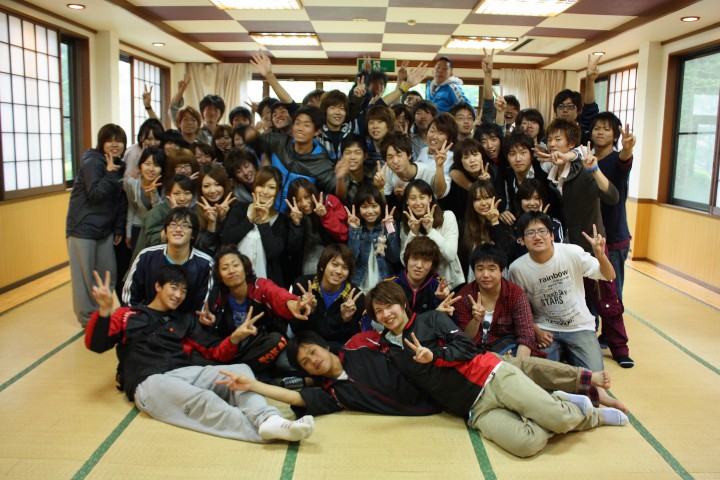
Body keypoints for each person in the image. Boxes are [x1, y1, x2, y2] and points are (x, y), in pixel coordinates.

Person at [365, 281, 628, 458]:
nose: (386, 314)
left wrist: (435, 356)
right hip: (474, 409)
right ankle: (555, 401)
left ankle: (590, 415)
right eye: (379, 311)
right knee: (527, 444)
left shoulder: (431, 319)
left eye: (390, 306)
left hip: (491, 376)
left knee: (558, 420)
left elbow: (466, 348)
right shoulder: (389, 349)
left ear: (403, 304)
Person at [86, 265, 314, 443]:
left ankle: (267, 418)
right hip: (148, 380)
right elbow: (96, 345)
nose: (178, 295)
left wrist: (235, 337)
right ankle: (268, 431)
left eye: (183, 291)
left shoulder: (185, 321)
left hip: (183, 373)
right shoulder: (128, 315)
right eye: (173, 288)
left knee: (241, 371)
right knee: (205, 400)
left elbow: (216, 353)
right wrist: (104, 311)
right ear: (158, 286)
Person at [218, 327, 624, 419]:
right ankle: (575, 399)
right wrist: (253, 384)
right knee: (518, 397)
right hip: (444, 400)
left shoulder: (359, 343)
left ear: (324, 346)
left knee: (512, 366)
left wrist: (439, 349)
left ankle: (586, 383)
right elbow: (296, 398)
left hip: (441, 368)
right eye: (305, 362)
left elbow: (399, 336)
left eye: (312, 352)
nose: (312, 360)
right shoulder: (335, 395)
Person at [537, 119, 632, 367]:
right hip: (568, 247)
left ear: (571, 144)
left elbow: (612, 196)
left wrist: (594, 170)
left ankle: (619, 348)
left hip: (593, 245)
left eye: (558, 139)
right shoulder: (552, 171)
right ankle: (585, 342)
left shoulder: (582, 167)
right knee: (581, 299)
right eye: (550, 139)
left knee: (607, 298)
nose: (552, 144)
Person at [508, 212, 614, 372]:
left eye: (542, 231)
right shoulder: (517, 269)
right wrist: (536, 331)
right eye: (530, 233)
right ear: (521, 240)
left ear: (552, 235)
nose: (537, 237)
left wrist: (600, 255)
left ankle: (569, 358)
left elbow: (609, 275)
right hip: (545, 329)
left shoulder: (572, 252)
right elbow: (518, 310)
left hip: (579, 327)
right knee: (540, 377)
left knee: (595, 378)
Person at [203, 248, 313, 372]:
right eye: (225, 268)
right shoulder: (217, 295)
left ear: (245, 267)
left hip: (260, 344)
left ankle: (235, 370)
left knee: (280, 346)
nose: (231, 271)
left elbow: (276, 294)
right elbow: (214, 336)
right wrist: (212, 322)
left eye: (236, 265)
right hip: (233, 348)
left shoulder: (259, 286)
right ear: (219, 276)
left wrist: (292, 303)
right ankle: (242, 370)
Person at [66, 123, 128, 327]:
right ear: (101, 143)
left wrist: (118, 228)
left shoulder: (119, 165)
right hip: (83, 229)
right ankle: (88, 320)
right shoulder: (92, 162)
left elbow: (120, 200)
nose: (114, 145)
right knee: (84, 278)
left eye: (119, 141)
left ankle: (101, 312)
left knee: (108, 274)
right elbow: (95, 195)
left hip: (105, 229)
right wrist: (109, 174)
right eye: (109, 140)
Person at [455, 244, 544, 357]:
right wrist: (476, 320)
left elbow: (526, 337)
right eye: (480, 269)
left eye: (492, 269)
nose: (485, 275)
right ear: (473, 271)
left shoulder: (516, 294)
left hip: (508, 352)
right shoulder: (464, 296)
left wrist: (518, 365)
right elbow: (465, 337)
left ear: (502, 270)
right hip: (476, 355)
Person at [124, 207, 214, 315]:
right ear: (165, 231)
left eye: (185, 225)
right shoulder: (146, 256)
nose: (178, 230)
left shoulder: (205, 264)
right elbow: (129, 300)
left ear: (193, 234)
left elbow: (202, 310)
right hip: (147, 321)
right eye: (173, 224)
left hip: (187, 324)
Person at [592, 113, 636, 302]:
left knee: (612, 293)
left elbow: (625, 159)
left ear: (615, 136)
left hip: (613, 237)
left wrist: (628, 148)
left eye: (606, 129)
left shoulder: (618, 159)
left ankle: (614, 324)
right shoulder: (586, 160)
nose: (600, 132)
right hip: (591, 236)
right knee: (591, 293)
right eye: (597, 128)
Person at [222, 166, 289, 288]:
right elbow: (227, 239)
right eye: (261, 185)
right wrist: (250, 219)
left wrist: (263, 222)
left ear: (278, 191)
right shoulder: (239, 208)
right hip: (235, 280)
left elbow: (274, 252)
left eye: (271, 187)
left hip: (265, 285)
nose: (265, 191)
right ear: (254, 187)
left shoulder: (281, 221)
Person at [289, 244, 365, 350]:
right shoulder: (303, 285)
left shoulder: (356, 298)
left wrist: (346, 320)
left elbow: (352, 341)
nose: (339, 271)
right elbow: (295, 329)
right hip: (306, 344)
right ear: (322, 266)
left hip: (337, 347)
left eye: (345, 268)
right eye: (334, 264)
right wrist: (308, 312)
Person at [399, 179, 464, 290]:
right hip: (422, 286)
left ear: (429, 198)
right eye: (413, 198)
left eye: (422, 197)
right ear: (407, 201)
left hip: (450, 284)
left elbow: (450, 255)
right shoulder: (405, 225)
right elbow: (404, 261)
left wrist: (430, 230)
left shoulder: (447, 217)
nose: (418, 203)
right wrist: (413, 233)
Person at [285, 178, 348, 277]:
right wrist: (296, 224)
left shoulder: (328, 201)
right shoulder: (293, 212)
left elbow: (344, 236)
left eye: (307, 197)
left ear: (313, 193)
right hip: (307, 262)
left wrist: (326, 216)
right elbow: (292, 249)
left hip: (334, 257)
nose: (304, 203)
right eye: (298, 200)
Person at [346, 184, 400, 293]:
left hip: (384, 282)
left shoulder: (389, 225)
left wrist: (389, 228)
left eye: (374, 206)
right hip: (360, 283)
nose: (370, 211)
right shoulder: (356, 228)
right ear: (358, 208)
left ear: (381, 206)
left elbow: (395, 257)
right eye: (365, 207)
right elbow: (351, 259)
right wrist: (355, 230)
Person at [132, 174, 195, 257]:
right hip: (150, 260)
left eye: (187, 193)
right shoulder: (156, 213)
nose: (182, 198)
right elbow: (154, 242)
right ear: (169, 194)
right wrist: (174, 216)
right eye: (176, 193)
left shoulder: (192, 214)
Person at [194, 164, 235, 256]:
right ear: (200, 189)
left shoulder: (236, 207)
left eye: (217, 184)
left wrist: (222, 219)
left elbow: (232, 243)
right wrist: (212, 223)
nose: (212, 190)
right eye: (206, 186)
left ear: (224, 185)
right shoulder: (195, 212)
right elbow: (203, 251)